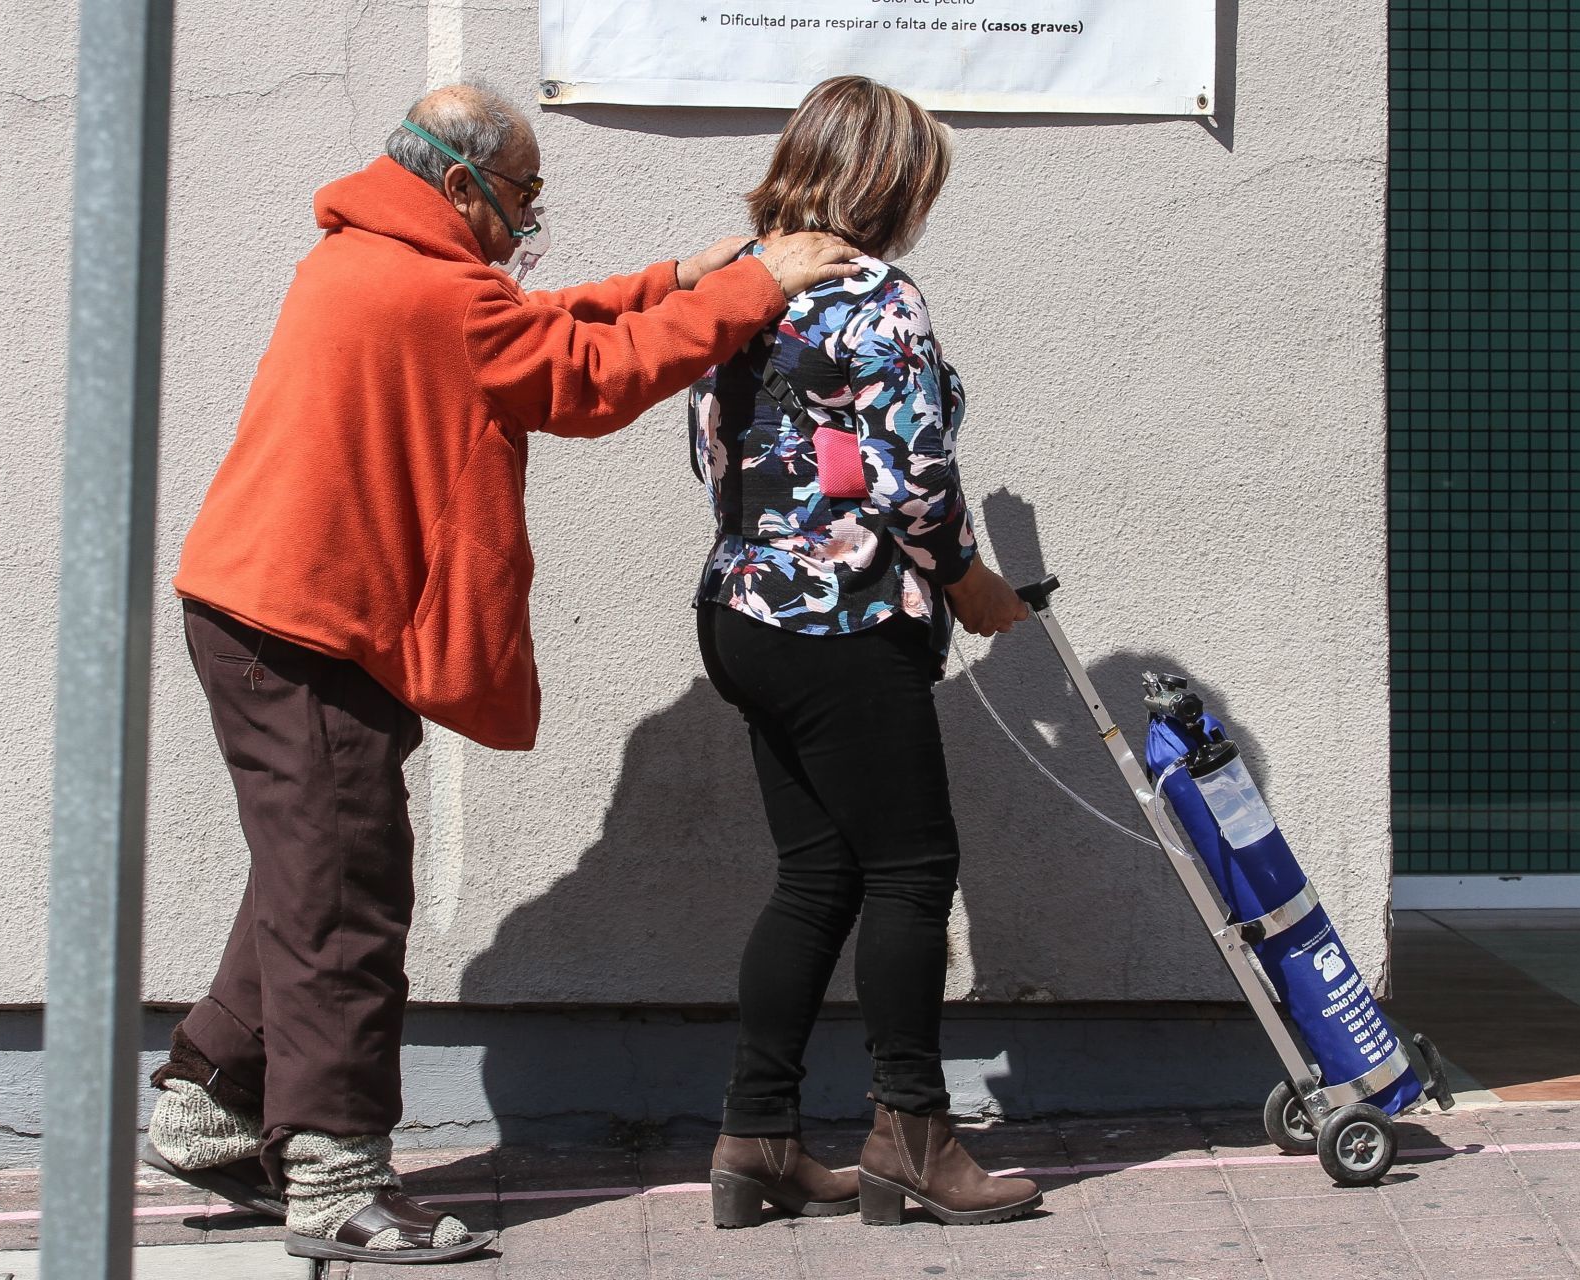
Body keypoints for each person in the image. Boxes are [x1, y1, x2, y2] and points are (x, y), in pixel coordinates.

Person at [140, 81, 861, 1266]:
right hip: (302, 625)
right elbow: (585, 376)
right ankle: (335, 1176)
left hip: (274, 612)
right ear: (459, 182)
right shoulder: (428, 287)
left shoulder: (374, 254)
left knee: (314, 864)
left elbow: (531, 323)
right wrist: (755, 286)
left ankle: (213, 1100)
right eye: (522, 194)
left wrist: (675, 279)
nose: (528, 218)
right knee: (343, 898)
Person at [690, 76, 1041, 1230]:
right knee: (910, 869)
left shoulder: (743, 282)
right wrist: (972, 583)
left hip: (743, 608)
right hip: (839, 619)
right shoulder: (875, 295)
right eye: (920, 186)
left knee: (817, 874)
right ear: (887, 184)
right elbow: (914, 478)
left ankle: (757, 1135)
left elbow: (725, 451)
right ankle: (912, 1134)